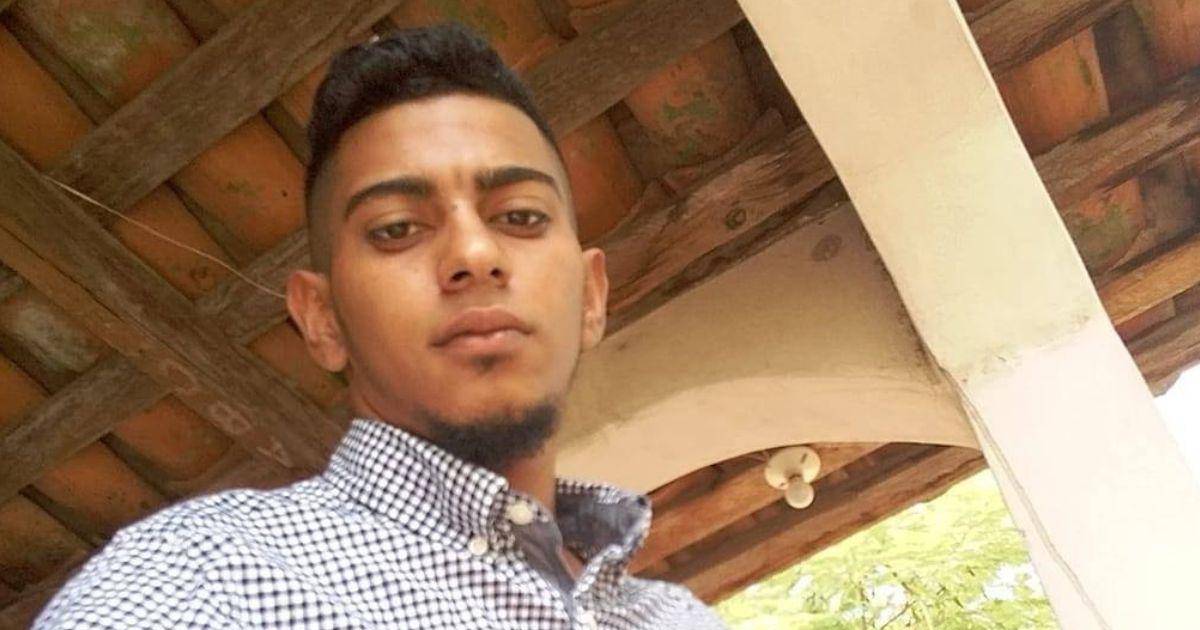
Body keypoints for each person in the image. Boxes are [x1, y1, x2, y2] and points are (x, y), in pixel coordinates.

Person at [34, 23, 726, 629]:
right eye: (396, 228)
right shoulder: (200, 580)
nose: (474, 253)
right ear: (322, 320)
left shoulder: (679, 617)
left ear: (592, 297)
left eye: (520, 216)